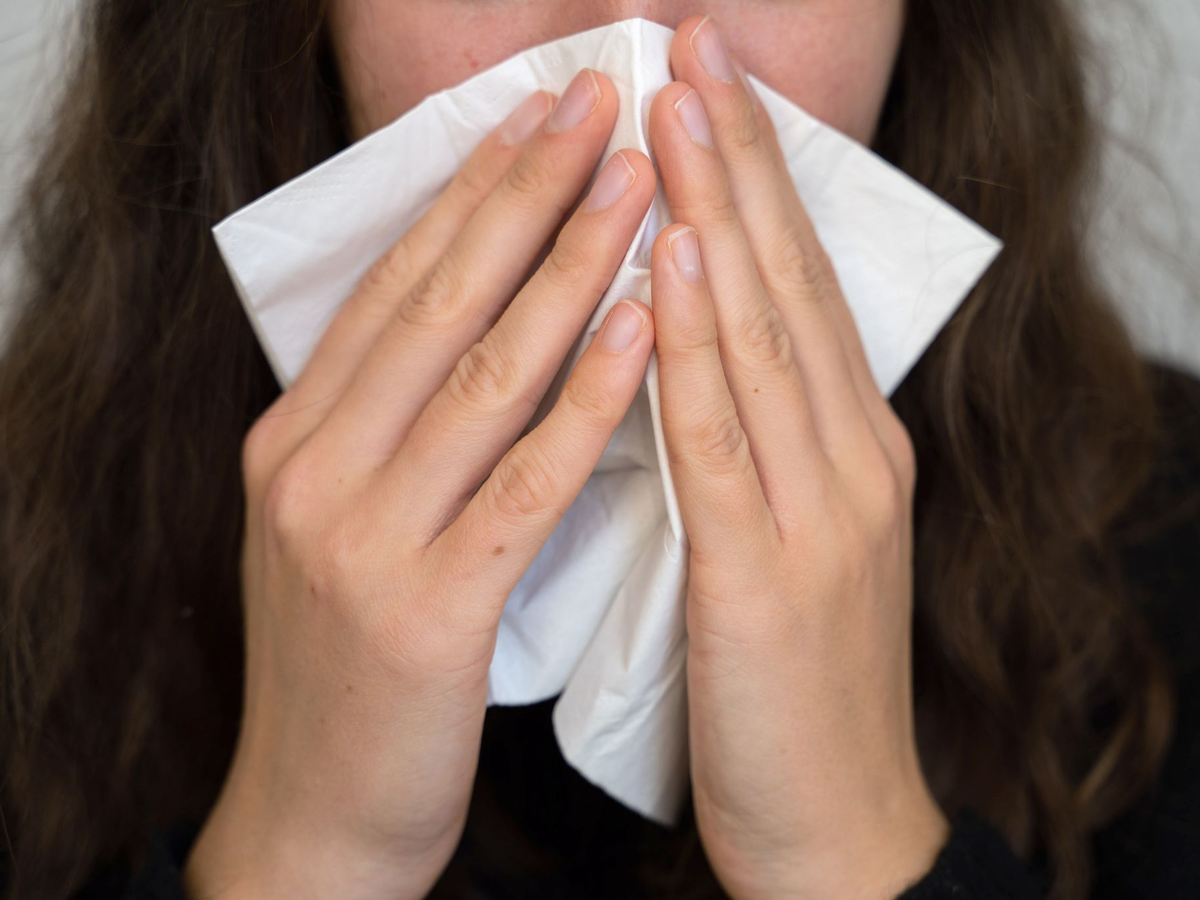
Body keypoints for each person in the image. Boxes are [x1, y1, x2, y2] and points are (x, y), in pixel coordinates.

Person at [1, 1, 1197, 898]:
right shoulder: (24, 569)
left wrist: (858, 850)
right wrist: (303, 855)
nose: (633, 50)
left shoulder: (1178, 536)